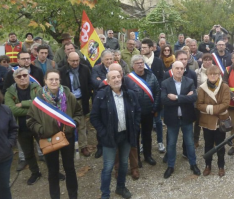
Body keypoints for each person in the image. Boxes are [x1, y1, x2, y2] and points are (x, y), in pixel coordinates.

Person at [27, 70, 82, 199]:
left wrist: (73, 125)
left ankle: (73, 196)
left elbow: (78, 113)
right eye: (51, 79)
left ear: (60, 81)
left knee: (70, 168)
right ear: (45, 81)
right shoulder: (38, 100)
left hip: (66, 137)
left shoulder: (69, 96)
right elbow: (30, 120)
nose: (54, 82)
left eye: (56, 79)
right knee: (53, 171)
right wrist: (41, 130)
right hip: (48, 139)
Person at [90, 69, 140, 199]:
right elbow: (94, 117)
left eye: (119, 76)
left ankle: (120, 187)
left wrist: (134, 126)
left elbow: (137, 111)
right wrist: (103, 133)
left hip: (126, 135)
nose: (117, 79)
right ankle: (105, 194)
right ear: (108, 81)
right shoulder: (101, 96)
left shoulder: (130, 94)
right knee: (108, 167)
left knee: (124, 164)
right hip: (109, 137)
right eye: (113, 77)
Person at [161, 61, 200, 179]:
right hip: (172, 119)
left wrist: (176, 97)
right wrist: (185, 97)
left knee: (189, 143)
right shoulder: (165, 83)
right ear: (172, 69)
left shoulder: (190, 81)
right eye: (177, 68)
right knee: (171, 144)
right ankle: (171, 166)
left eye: (181, 68)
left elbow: (194, 97)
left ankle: (193, 164)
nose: (179, 70)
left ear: (184, 70)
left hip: (186, 118)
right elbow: (164, 100)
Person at [4, 67, 43, 184]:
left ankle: (54, 171)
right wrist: (32, 107)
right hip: (21, 128)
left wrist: (23, 104)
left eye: (25, 75)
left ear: (29, 76)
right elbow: (12, 110)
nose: (22, 78)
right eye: (19, 76)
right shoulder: (9, 92)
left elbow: (42, 104)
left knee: (47, 149)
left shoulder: (37, 88)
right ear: (15, 79)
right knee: (28, 153)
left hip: (38, 125)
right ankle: (35, 173)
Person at [196, 65, 230, 177]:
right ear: (207, 75)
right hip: (207, 121)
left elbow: (225, 104)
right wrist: (215, 109)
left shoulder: (224, 87)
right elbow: (199, 104)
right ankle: (208, 165)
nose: (213, 76)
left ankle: (221, 166)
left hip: (221, 121)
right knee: (208, 144)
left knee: (221, 145)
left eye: (215, 74)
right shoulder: (202, 88)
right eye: (210, 74)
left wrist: (210, 108)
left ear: (219, 75)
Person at [59, 52, 92, 157]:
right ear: (68, 60)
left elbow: (89, 83)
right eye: (73, 61)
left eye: (77, 60)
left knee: (82, 124)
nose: (75, 63)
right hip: (68, 101)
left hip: (81, 99)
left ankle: (83, 146)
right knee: (68, 124)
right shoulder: (62, 71)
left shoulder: (85, 69)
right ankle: (68, 145)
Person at [129, 55, 160, 167]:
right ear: (133, 65)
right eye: (137, 63)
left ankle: (148, 155)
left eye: (141, 62)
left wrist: (154, 107)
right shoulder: (129, 79)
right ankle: (137, 158)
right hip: (135, 114)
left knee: (147, 135)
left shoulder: (152, 76)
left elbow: (157, 92)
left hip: (149, 111)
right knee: (135, 136)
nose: (140, 64)